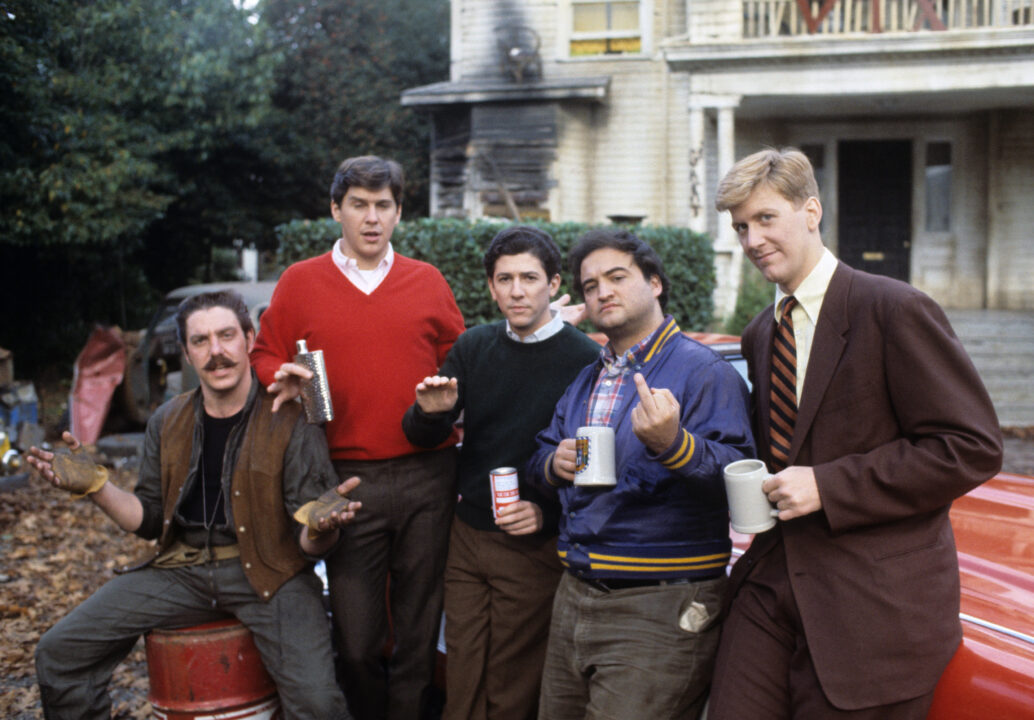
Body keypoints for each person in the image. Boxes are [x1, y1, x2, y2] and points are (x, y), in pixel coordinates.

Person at [708, 147, 1004, 719]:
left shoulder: (894, 308)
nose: (751, 240)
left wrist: (829, 485)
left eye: (766, 218)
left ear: (811, 211)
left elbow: (971, 448)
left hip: (872, 609)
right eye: (741, 226)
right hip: (772, 587)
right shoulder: (759, 334)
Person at [28, 290, 359, 720]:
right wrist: (95, 486)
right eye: (200, 341)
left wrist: (321, 527)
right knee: (59, 652)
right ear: (185, 353)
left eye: (226, 336)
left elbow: (311, 539)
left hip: (272, 574)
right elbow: (147, 519)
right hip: (181, 572)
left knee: (318, 703)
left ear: (249, 339)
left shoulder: (289, 416)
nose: (216, 352)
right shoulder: (167, 420)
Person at [250, 155, 466, 720]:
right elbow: (265, 351)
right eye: (359, 205)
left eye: (384, 206)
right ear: (336, 210)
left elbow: (458, 361)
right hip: (342, 479)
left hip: (428, 474)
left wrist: (454, 399)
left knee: (419, 631)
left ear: (398, 212)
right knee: (358, 638)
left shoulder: (427, 280)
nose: (372, 218)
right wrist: (281, 376)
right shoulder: (300, 281)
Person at [525, 228, 754, 720]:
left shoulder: (705, 372)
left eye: (617, 277)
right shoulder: (590, 376)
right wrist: (552, 463)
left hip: (661, 603)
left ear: (654, 284)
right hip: (576, 592)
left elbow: (742, 478)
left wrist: (675, 446)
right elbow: (540, 455)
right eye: (590, 285)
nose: (602, 291)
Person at [401, 225, 601, 720]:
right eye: (504, 278)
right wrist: (431, 412)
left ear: (554, 284)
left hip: (535, 543)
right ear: (490, 286)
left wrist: (546, 511)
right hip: (467, 536)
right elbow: (421, 436)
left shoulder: (586, 360)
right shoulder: (474, 347)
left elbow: (595, 464)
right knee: (462, 671)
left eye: (529, 278)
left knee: (513, 681)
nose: (516, 291)